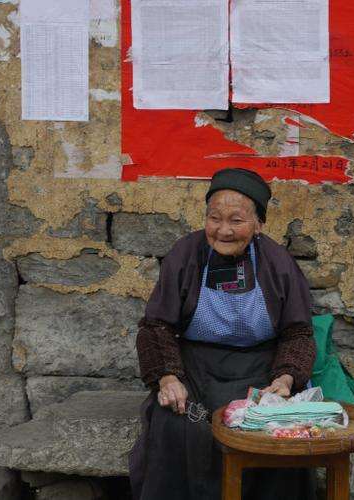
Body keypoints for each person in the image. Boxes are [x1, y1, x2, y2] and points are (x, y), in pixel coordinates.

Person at [129, 168, 317, 500]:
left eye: (236, 220)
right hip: (195, 372)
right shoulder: (185, 255)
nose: (223, 230)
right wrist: (168, 378)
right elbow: (156, 326)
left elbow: (298, 333)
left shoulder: (277, 262)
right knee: (178, 425)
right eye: (214, 218)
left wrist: (286, 378)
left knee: (274, 432)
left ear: (259, 223)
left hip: (260, 371)